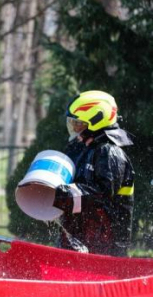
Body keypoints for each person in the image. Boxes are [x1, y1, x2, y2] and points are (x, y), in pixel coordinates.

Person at [53, 90, 135, 257]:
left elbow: (102, 195)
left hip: (105, 243)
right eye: (72, 123)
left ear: (95, 121)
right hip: (78, 235)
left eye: (78, 123)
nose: (74, 128)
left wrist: (64, 194)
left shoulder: (110, 152)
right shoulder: (82, 147)